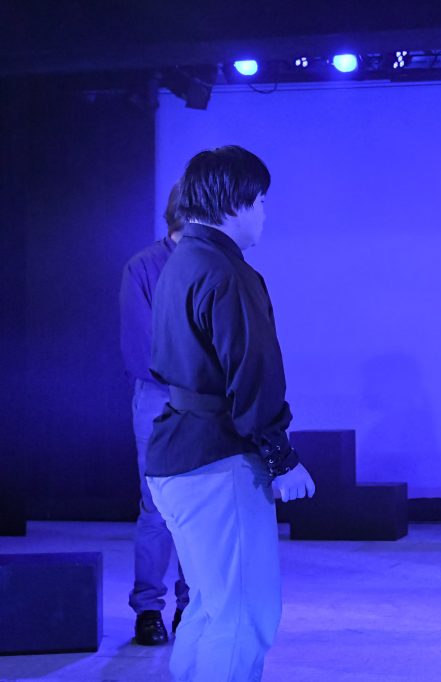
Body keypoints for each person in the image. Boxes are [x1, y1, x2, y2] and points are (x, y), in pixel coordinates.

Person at [146, 145, 316, 680]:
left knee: (209, 606)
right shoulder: (227, 272)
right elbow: (252, 374)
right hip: (217, 460)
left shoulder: (180, 262)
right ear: (235, 201)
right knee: (243, 613)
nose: (264, 212)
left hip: (178, 454)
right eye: (261, 200)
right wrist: (282, 457)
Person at [118, 182, 190, 645]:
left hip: (205, 402)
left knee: (198, 507)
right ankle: (148, 608)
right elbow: (139, 347)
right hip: (160, 399)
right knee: (157, 507)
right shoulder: (143, 266)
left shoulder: (215, 266)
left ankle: (191, 606)